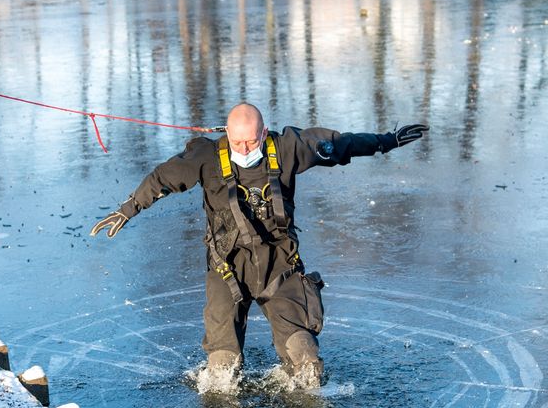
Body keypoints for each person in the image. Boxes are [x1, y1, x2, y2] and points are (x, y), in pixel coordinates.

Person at [91, 103, 427, 386]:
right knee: (222, 369)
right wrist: (127, 209)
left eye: (251, 143)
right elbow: (162, 178)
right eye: (237, 143)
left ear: (264, 134)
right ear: (226, 134)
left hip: (280, 266)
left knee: (307, 363)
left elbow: (339, 144)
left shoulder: (286, 148)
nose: (244, 150)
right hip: (227, 269)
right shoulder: (206, 157)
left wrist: (386, 141)